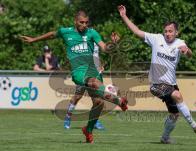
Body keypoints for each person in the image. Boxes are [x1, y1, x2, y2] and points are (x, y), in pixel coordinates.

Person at [21, 10, 128, 143]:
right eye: (81, 22)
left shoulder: (92, 33)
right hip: (78, 71)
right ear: (75, 21)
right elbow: (51, 35)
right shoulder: (66, 32)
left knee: (98, 103)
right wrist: (33, 40)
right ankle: (118, 101)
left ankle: (88, 130)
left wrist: (114, 43)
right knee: (93, 84)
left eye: (86, 22)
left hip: (92, 69)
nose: (84, 25)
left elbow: (105, 48)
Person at [118, 5, 196, 144]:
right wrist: (124, 16)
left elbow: (190, 55)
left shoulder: (180, 43)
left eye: (171, 31)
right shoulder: (156, 39)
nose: (168, 34)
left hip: (170, 83)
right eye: (166, 31)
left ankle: (165, 138)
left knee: (174, 114)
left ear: (176, 32)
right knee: (177, 95)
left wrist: (186, 50)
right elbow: (137, 32)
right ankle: (194, 125)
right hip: (156, 84)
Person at [64, 32, 120, 130]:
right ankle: (68, 117)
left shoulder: (95, 38)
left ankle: (95, 121)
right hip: (84, 72)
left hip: (95, 72)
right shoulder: (79, 39)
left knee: (97, 99)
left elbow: (101, 52)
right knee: (78, 96)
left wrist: (112, 42)